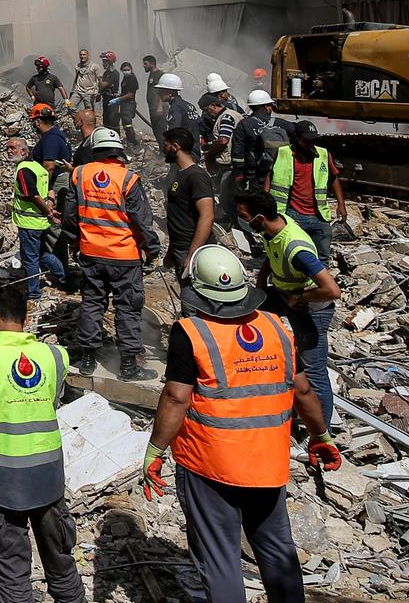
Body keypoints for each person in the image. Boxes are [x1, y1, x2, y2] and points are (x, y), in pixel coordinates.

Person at [140, 245, 340, 603]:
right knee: (278, 552)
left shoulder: (192, 333)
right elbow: (304, 390)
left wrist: (155, 450)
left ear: (198, 290)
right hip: (268, 464)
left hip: (209, 467)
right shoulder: (278, 327)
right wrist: (320, 435)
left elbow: (175, 398)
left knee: (220, 561)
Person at [0, 282, 85, 603]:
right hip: (48, 478)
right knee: (61, 564)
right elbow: (49, 403)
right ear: (26, 320)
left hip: (4, 484)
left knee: (13, 574)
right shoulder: (55, 356)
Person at [57, 128, 160, 380]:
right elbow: (142, 220)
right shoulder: (128, 179)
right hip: (125, 256)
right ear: (119, 153)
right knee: (128, 308)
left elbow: (70, 215)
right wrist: (152, 249)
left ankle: (88, 360)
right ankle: (128, 366)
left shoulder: (79, 174)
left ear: (95, 149)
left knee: (92, 303)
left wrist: (73, 241)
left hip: (91, 253)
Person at [236, 191, 342, 430]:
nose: (241, 219)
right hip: (286, 295)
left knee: (313, 371)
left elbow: (332, 289)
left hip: (309, 307)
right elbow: (271, 253)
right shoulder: (273, 227)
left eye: (244, 215)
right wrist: (261, 284)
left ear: (259, 218)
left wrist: (299, 298)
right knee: (244, 311)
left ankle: (321, 433)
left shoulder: (298, 249)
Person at [270, 120, 346, 259]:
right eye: (306, 140)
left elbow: (333, 178)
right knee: (294, 255)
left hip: (319, 215)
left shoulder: (323, 154)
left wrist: (341, 204)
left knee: (323, 256)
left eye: (313, 140)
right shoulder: (283, 153)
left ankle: (320, 280)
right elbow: (270, 176)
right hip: (293, 214)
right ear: (297, 138)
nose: (310, 144)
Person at [7, 137, 67, 300]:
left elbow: (33, 195)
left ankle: (33, 293)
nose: (9, 151)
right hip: (40, 222)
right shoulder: (39, 168)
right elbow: (50, 191)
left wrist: (48, 211)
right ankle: (63, 277)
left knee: (30, 258)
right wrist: (51, 206)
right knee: (42, 253)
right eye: (8, 148)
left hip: (30, 223)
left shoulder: (23, 170)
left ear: (24, 151)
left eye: (13, 148)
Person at [161, 128, 215, 275]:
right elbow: (179, 216)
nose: (163, 149)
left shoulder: (196, 176)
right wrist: (171, 252)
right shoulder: (181, 174)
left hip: (192, 250)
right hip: (181, 248)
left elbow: (207, 216)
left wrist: (192, 255)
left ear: (176, 146)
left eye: (166, 145)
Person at [228, 90, 291, 213]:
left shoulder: (244, 124)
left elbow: (237, 154)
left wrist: (240, 175)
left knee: (256, 204)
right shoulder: (281, 124)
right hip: (280, 173)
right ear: (266, 106)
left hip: (255, 175)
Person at [153, 73, 201, 161]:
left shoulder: (175, 108)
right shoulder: (189, 106)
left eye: (161, 90)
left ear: (170, 92)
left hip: (183, 154)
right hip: (194, 152)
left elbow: (174, 131)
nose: (158, 93)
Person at [30, 105, 72, 176]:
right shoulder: (58, 134)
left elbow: (49, 166)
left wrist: (46, 185)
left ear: (38, 122)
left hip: (55, 182)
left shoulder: (50, 139)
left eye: (32, 121)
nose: (32, 125)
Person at [71, 49, 102, 116]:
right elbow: (76, 78)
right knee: (70, 107)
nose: (82, 56)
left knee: (89, 111)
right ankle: (79, 119)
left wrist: (99, 93)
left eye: (84, 54)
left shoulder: (94, 66)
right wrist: (73, 90)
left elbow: (100, 80)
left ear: (88, 55)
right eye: (81, 55)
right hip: (78, 91)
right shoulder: (77, 66)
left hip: (90, 92)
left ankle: (90, 124)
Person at [117, 61, 141, 146]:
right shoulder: (125, 78)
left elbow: (130, 95)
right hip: (125, 103)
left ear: (131, 69)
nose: (126, 71)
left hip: (129, 103)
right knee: (125, 123)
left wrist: (118, 99)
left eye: (128, 69)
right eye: (124, 70)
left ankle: (132, 142)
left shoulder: (132, 79)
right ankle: (130, 141)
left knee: (127, 123)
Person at [98, 52, 122, 131]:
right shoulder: (106, 73)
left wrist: (99, 78)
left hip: (112, 99)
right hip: (106, 98)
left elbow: (103, 85)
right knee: (106, 120)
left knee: (113, 120)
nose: (103, 63)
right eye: (103, 61)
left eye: (105, 61)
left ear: (110, 62)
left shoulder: (114, 73)